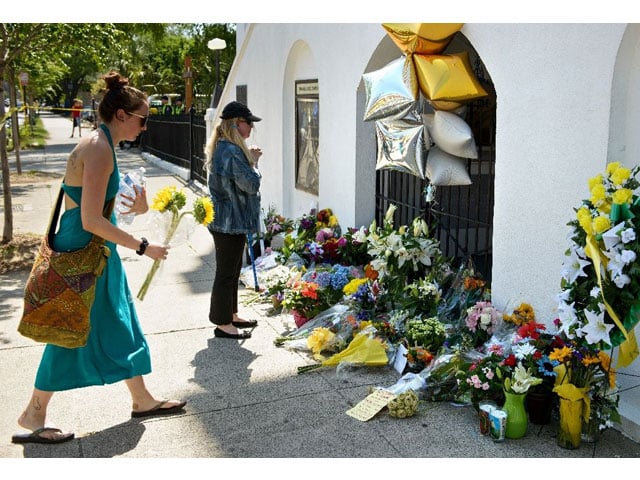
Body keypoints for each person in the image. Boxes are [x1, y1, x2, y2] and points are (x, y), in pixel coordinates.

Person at [12, 71, 186, 445]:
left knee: (116, 321)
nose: (145, 126)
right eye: (143, 118)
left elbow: (98, 212)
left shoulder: (103, 145)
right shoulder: (97, 149)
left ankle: (141, 398)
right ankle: (33, 412)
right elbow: (91, 220)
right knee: (70, 329)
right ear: (121, 115)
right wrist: (143, 246)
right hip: (83, 251)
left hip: (92, 250)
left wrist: (136, 209)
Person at [204, 101, 263, 340]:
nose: (251, 128)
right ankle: (222, 322)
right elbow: (249, 184)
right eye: (249, 123)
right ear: (237, 123)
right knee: (226, 272)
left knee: (233, 269)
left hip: (229, 221)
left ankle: (232, 314)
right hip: (229, 222)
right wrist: (255, 163)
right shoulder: (230, 150)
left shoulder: (225, 147)